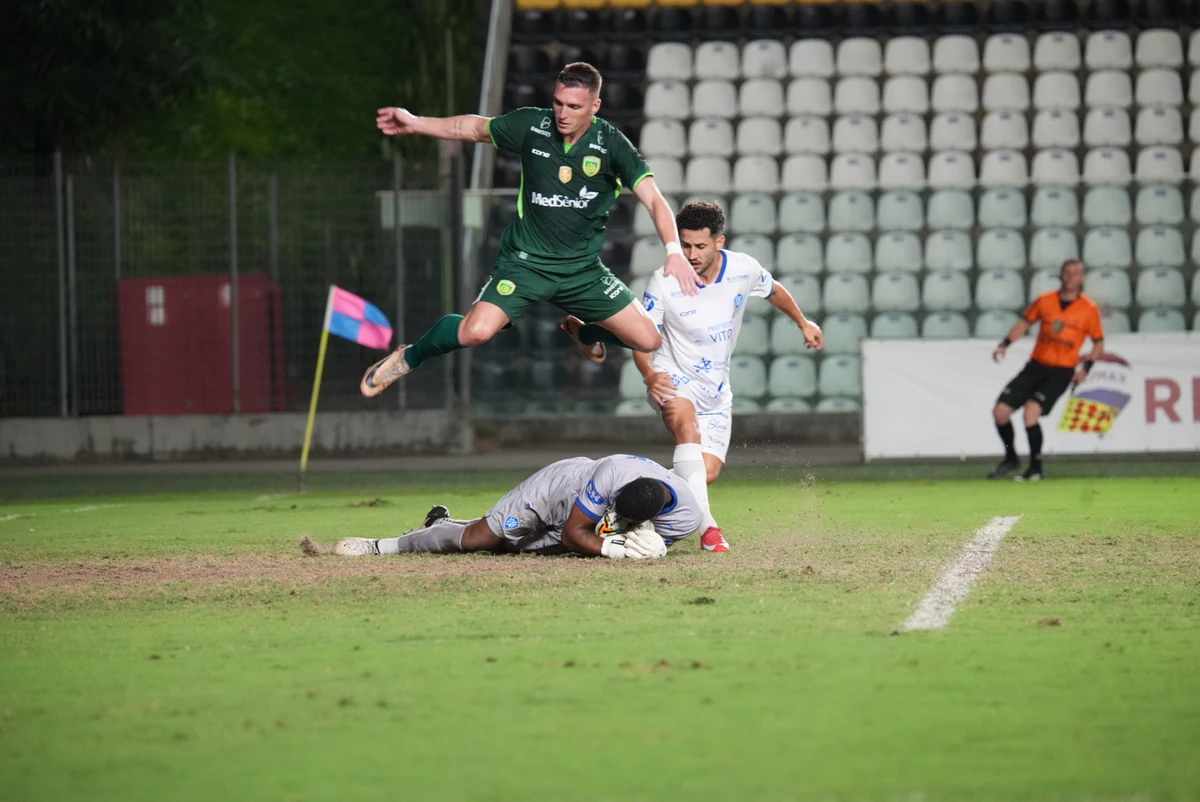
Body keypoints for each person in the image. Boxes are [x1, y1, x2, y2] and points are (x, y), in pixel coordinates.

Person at [361, 62, 699, 398]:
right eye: (558, 102)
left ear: (595, 106)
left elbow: (654, 200)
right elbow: (472, 128)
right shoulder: (532, 125)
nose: (563, 113)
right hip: (525, 264)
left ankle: (583, 334)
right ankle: (408, 358)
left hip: (583, 271)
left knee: (648, 340)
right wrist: (416, 122)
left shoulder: (613, 145)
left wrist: (674, 251)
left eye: (575, 106)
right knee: (474, 332)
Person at [625, 201, 823, 552]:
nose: (691, 254)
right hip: (672, 377)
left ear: (719, 241)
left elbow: (774, 289)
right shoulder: (664, 281)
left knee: (704, 473)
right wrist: (649, 374)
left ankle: (631, 496)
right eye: (684, 245)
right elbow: (642, 338)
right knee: (685, 425)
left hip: (716, 390)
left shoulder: (743, 268)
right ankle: (709, 530)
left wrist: (803, 322)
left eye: (700, 246)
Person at [299, 454, 703, 559]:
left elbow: (646, 538)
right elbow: (573, 533)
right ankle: (381, 545)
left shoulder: (688, 517)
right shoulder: (614, 474)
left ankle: (442, 522)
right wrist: (616, 549)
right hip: (558, 490)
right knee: (479, 540)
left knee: (513, 549)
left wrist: (653, 547)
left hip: (586, 515)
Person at [990, 259, 1104, 482]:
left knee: (1031, 411)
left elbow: (1098, 343)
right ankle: (1011, 457)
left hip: (1061, 371)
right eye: (1067, 273)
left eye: (1076, 274)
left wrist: (1086, 368)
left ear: (1082, 278)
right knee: (1000, 412)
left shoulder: (1089, 309)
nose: (1071, 278)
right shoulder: (1045, 301)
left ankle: (1035, 468)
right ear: (1061, 275)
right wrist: (1005, 344)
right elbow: (1024, 323)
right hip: (1036, 366)